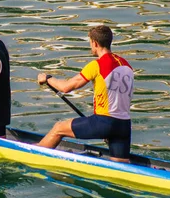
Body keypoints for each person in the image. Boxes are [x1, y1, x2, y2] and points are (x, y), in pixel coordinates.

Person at [36, 25, 134, 162]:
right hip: (123, 126)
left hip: (104, 122)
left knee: (58, 128)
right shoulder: (127, 65)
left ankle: (34, 155)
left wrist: (47, 78)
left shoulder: (97, 65)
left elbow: (66, 87)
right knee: (122, 166)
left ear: (95, 43)